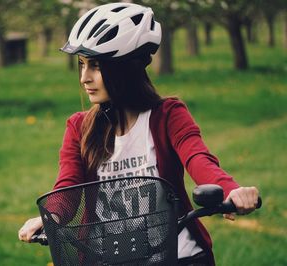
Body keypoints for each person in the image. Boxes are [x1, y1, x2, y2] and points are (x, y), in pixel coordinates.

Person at [18, 3, 259, 265]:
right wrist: (50, 218)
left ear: (126, 68)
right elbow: (68, 186)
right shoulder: (79, 127)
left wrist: (231, 190)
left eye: (96, 65)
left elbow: (198, 159)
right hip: (106, 259)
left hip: (177, 256)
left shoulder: (167, 115)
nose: (84, 78)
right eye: (82, 64)